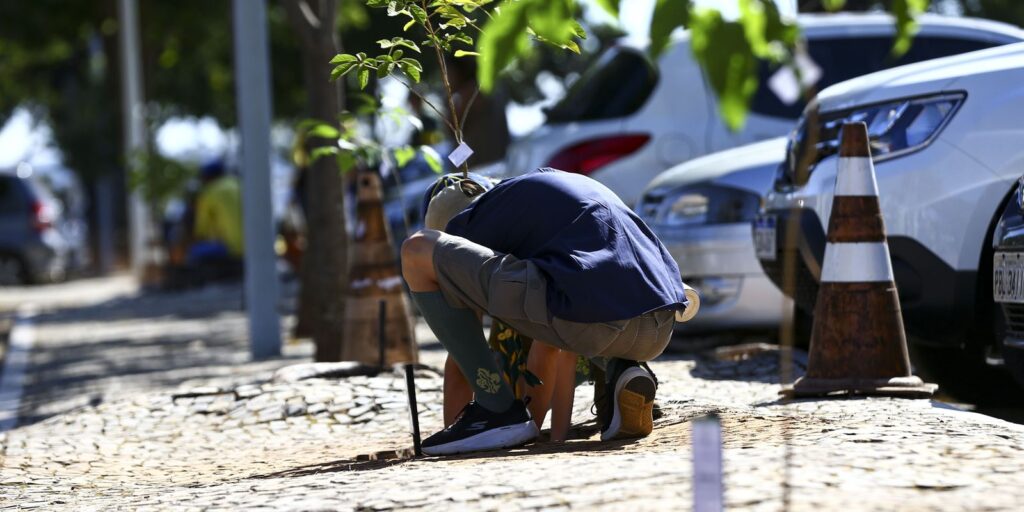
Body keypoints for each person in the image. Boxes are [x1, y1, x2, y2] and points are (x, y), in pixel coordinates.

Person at [401, 168, 690, 456]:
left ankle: (496, 410)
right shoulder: (543, 191)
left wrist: (494, 422)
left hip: (592, 320)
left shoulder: (475, 220)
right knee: (577, 295)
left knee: (417, 250)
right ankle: (621, 372)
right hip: (661, 323)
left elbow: (462, 357)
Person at [188, 159, 244, 282]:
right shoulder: (239, 184)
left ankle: (207, 281)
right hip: (254, 246)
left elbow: (201, 229)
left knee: (194, 252)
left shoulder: (210, 192)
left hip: (231, 248)